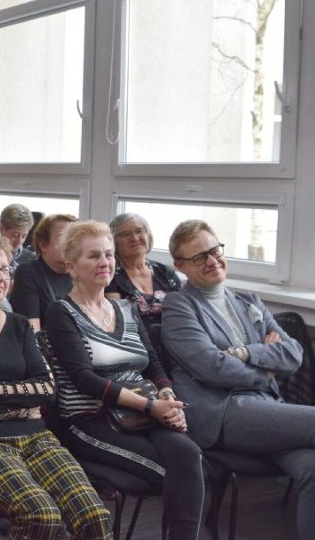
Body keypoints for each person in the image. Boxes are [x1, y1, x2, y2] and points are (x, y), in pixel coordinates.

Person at [0, 231, 112, 539]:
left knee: (93, 516)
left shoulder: (19, 326)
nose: (1, 276)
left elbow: (47, 390)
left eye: (5, 268)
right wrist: (20, 407)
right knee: (42, 517)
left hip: (37, 438)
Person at [46, 220, 203, 540]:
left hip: (143, 413)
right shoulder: (61, 311)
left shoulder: (125, 307)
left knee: (189, 457)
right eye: (93, 256)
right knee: (174, 475)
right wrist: (152, 406)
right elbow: (83, 378)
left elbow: (153, 363)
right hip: (90, 419)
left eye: (108, 254)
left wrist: (167, 396)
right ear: (71, 266)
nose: (104, 262)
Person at [162, 219, 315, 539]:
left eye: (214, 250)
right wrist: (268, 370)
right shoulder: (179, 306)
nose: (212, 261)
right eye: (199, 257)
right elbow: (211, 367)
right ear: (180, 266)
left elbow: (294, 354)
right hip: (221, 411)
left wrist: (245, 353)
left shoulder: (249, 301)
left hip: (264, 409)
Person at [106, 213, 181, 330]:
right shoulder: (110, 276)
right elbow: (119, 321)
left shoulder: (165, 272)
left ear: (148, 235)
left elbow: (183, 312)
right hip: (135, 342)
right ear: (114, 242)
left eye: (139, 231)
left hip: (173, 337)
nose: (134, 238)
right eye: (125, 234)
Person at [10, 214, 78, 332]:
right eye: (63, 237)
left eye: (75, 239)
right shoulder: (28, 273)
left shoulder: (81, 273)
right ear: (43, 245)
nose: (71, 244)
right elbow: (32, 331)